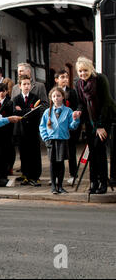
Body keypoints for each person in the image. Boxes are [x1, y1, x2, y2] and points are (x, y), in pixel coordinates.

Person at [73, 57, 116, 194]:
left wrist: (101, 125)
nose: (83, 74)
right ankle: (94, 182)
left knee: (100, 151)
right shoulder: (78, 84)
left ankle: (103, 182)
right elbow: (81, 102)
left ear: (90, 69)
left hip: (104, 119)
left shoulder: (100, 79)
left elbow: (106, 102)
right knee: (92, 152)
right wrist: (78, 110)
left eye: (85, 70)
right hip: (90, 122)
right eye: (80, 71)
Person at [39, 86, 80, 194]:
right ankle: (53, 186)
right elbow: (42, 126)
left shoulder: (68, 111)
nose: (56, 98)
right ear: (51, 98)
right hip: (51, 140)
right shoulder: (47, 112)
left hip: (63, 140)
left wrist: (76, 120)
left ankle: (60, 186)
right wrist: (45, 137)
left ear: (63, 97)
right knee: (53, 163)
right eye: (54, 96)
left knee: (60, 163)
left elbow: (72, 126)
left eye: (58, 96)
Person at [12, 74, 42, 187]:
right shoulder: (16, 99)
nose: (26, 86)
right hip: (21, 132)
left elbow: (36, 113)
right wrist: (29, 110)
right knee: (24, 155)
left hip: (33, 131)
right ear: (20, 86)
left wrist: (24, 111)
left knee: (34, 154)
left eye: (28, 84)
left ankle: (35, 177)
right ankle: (26, 175)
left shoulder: (35, 98)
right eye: (24, 84)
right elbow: (15, 113)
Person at [54, 70, 81, 184]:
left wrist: (77, 113)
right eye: (62, 77)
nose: (65, 79)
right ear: (56, 80)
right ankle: (55, 176)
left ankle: (73, 174)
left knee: (71, 151)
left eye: (66, 77)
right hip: (57, 127)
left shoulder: (73, 92)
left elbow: (78, 105)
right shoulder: (53, 92)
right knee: (56, 152)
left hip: (69, 127)